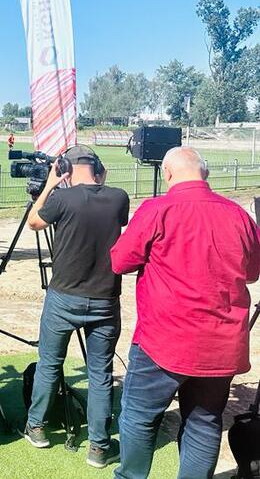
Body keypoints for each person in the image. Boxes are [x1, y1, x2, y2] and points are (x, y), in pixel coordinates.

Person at [110, 147, 260, 479]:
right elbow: (252, 271)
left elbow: (119, 261)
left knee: (138, 415)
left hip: (164, 340)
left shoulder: (157, 209)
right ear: (205, 174)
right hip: (221, 346)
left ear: (167, 174)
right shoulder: (238, 215)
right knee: (204, 423)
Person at [21, 146, 130, 469]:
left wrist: (51, 185)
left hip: (64, 296)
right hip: (105, 298)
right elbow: (115, 212)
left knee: (50, 364)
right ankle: (99, 446)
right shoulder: (118, 197)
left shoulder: (61, 198)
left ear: (65, 167)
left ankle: (37, 426)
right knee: (100, 373)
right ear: (97, 167)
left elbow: (34, 222)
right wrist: (102, 178)